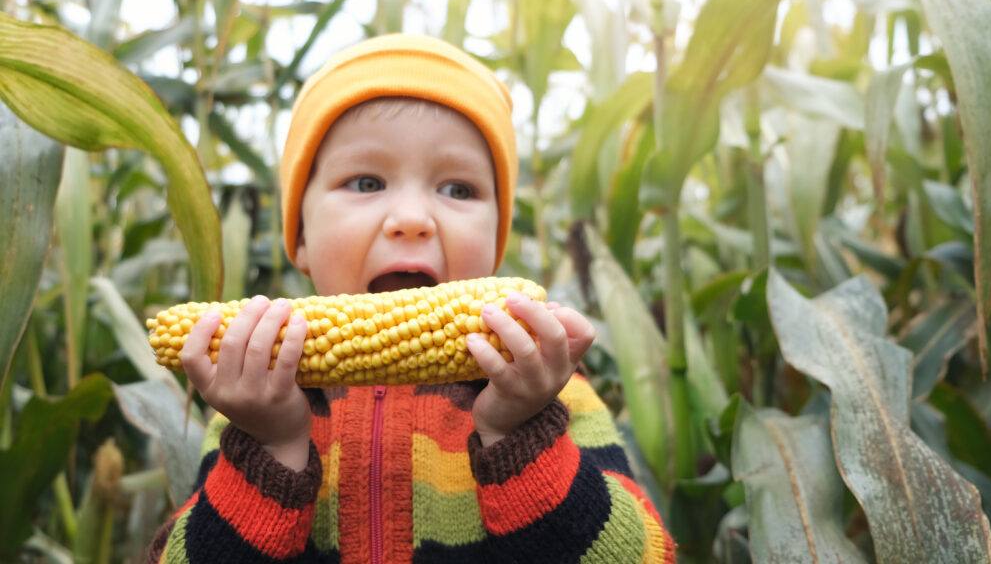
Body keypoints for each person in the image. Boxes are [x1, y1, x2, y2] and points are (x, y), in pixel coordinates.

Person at [146, 34, 675, 563]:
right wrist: (271, 450)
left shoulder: (548, 392)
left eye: (457, 190)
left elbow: (647, 557)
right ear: (300, 239)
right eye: (367, 181)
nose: (413, 220)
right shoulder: (254, 397)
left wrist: (522, 437)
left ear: (497, 242)